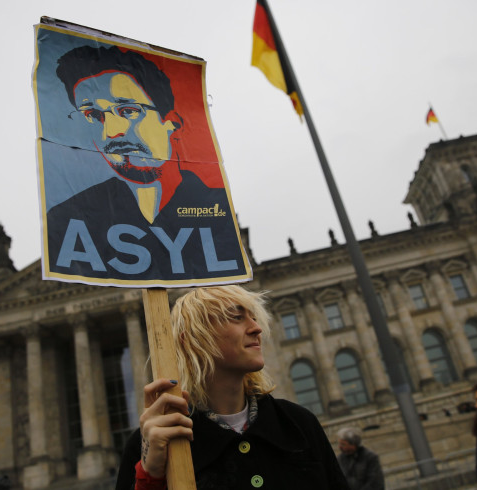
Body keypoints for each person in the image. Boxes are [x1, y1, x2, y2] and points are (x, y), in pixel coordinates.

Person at [114, 285, 350, 490]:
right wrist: (150, 477)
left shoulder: (298, 422)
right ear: (192, 340)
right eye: (237, 317)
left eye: (254, 317)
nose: (256, 328)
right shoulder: (151, 444)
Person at [46, 45, 245, 281]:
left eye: (128, 110)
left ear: (171, 122)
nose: (110, 132)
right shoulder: (65, 219)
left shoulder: (216, 212)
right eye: (94, 116)